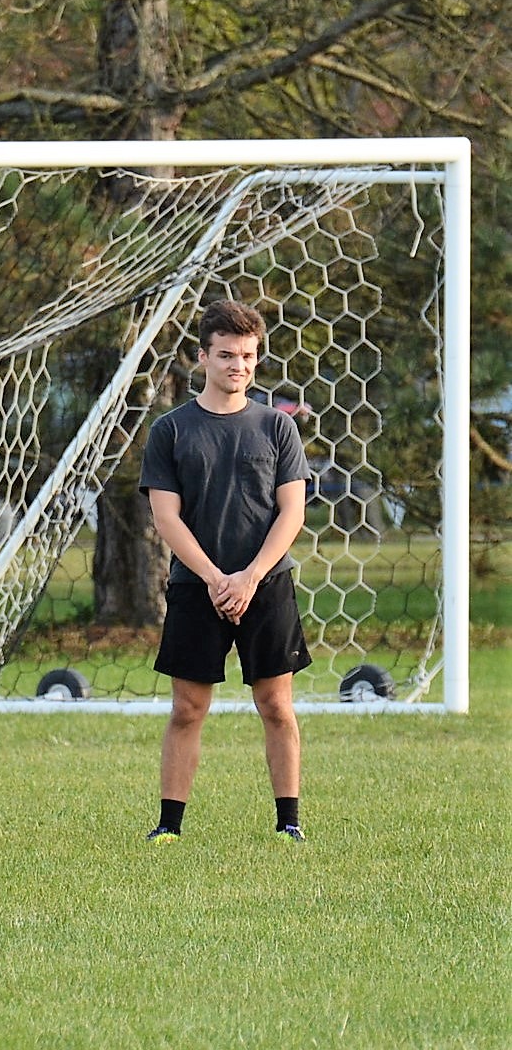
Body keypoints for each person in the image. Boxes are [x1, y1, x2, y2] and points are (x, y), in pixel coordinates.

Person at [138, 298, 311, 845]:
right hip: (197, 587)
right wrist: (215, 577)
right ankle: (169, 826)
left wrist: (250, 576)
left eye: (249, 357)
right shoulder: (171, 430)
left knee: (276, 705)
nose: (238, 366)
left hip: (266, 584)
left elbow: (293, 510)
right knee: (188, 707)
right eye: (227, 355)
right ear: (203, 357)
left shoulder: (277, 429)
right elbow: (166, 516)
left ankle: (289, 823)